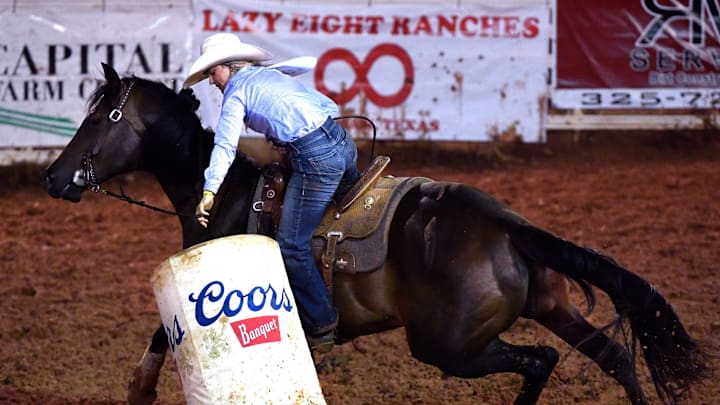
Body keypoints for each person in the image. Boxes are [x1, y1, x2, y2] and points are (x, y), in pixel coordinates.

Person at [183, 33, 361, 352]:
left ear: (228, 66)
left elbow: (225, 146)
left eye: (213, 72)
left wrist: (210, 191)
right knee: (346, 215)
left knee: (291, 245)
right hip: (344, 145)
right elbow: (326, 105)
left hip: (317, 160)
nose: (212, 80)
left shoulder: (236, 94)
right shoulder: (271, 74)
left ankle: (322, 326)